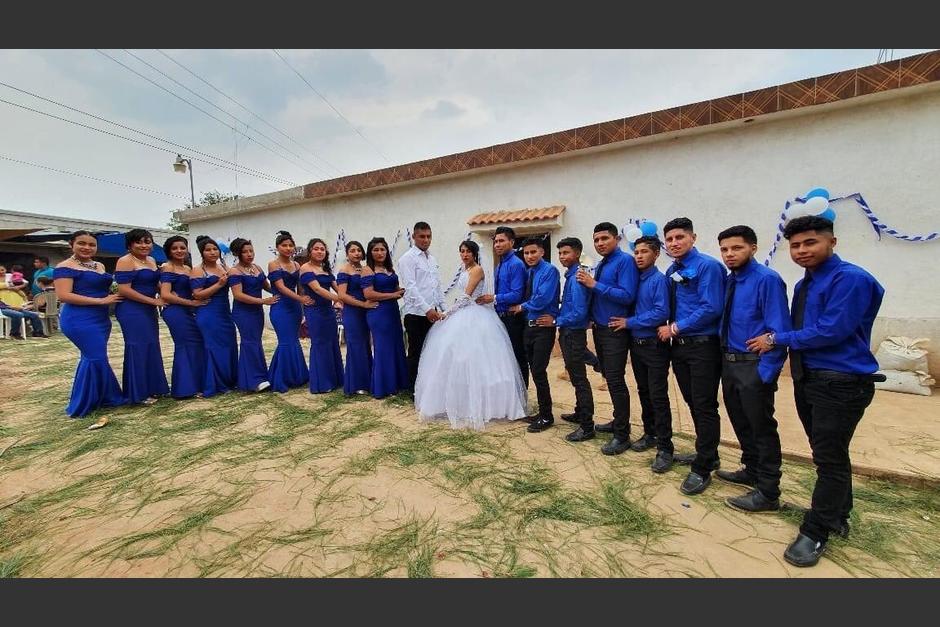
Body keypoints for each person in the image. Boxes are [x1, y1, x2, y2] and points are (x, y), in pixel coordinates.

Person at [747, 215, 885, 568]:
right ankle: (837, 515)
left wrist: (776, 339)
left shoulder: (850, 279)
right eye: (795, 245)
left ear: (832, 242)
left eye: (810, 243)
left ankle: (816, 531)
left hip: (840, 381)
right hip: (811, 378)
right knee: (831, 453)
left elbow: (831, 330)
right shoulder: (805, 284)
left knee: (829, 459)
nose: (802, 251)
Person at [713, 225, 790, 513]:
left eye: (737, 248)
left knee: (762, 428)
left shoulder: (767, 280)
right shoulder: (731, 281)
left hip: (754, 366)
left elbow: (778, 329)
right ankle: (751, 469)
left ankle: (769, 491)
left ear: (753, 248)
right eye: (724, 249)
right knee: (741, 421)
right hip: (730, 362)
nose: (729, 254)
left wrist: (765, 374)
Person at [415, 240, 527, 429]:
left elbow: (467, 297)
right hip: (464, 313)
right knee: (456, 359)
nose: (465, 255)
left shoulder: (477, 270)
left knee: (480, 361)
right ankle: (460, 402)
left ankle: (488, 405)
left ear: (475, 254)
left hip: (477, 314)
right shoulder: (464, 270)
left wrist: (447, 313)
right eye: (462, 251)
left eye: (468, 252)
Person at [659, 217, 726, 496]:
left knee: (704, 404)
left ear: (693, 238)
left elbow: (712, 307)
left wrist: (675, 327)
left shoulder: (707, 266)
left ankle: (703, 467)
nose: (674, 243)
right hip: (680, 347)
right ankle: (707, 453)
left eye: (679, 238)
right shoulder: (672, 270)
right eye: (670, 239)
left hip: (703, 345)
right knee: (692, 401)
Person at [609, 235, 674, 472]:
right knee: (644, 391)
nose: (639, 256)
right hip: (636, 345)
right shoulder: (637, 279)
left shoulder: (658, 280)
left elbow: (660, 312)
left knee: (658, 396)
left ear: (656, 254)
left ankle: (666, 449)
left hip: (653, 346)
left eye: (644, 252)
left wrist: (630, 322)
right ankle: (650, 434)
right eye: (636, 252)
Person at [577, 222, 639, 455]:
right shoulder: (603, 263)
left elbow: (627, 295)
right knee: (607, 376)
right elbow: (598, 296)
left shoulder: (625, 262)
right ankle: (616, 422)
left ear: (617, 239)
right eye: (596, 240)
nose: (600, 243)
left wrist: (594, 284)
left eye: (605, 238)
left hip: (615, 331)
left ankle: (622, 435)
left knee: (615, 380)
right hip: (600, 328)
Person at [53, 230, 125, 417]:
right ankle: (84, 403)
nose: (87, 248)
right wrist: (101, 301)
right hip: (79, 319)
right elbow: (64, 295)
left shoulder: (98, 265)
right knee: (94, 357)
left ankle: (105, 397)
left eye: (91, 245)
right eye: (81, 244)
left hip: (101, 319)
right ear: (71, 245)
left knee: (95, 356)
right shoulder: (64, 266)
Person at [536, 237, 594, 442]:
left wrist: (556, 321)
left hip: (573, 333)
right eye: (560, 253)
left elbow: (578, 312)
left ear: (577, 254)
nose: (562, 257)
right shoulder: (570, 276)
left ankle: (587, 426)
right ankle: (580, 412)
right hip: (569, 332)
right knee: (577, 376)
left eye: (566, 253)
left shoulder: (577, 278)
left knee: (579, 379)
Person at [508, 237, 560, 433]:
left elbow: (542, 299)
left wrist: (521, 306)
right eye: (526, 253)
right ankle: (542, 412)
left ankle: (547, 416)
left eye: (533, 252)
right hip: (529, 327)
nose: (529, 256)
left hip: (543, 328)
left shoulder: (550, 271)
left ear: (542, 252)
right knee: (534, 370)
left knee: (539, 370)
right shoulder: (530, 272)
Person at [114, 229, 170, 405]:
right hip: (131, 309)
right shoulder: (125, 261)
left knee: (152, 345)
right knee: (138, 347)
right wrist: (153, 301)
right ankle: (138, 392)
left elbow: (156, 283)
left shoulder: (152, 260)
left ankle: (155, 387)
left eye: (147, 241)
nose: (144, 245)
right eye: (139, 242)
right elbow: (124, 289)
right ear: (130, 245)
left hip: (148, 309)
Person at [476, 225, 529, 388]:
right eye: (495, 241)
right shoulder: (499, 265)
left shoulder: (516, 264)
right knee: (504, 358)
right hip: (500, 318)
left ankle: (522, 398)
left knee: (518, 357)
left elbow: (517, 294)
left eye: (501, 241)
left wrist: (493, 298)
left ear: (511, 242)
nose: (497, 244)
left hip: (513, 318)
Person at [397, 221, 444, 394]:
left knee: (431, 351)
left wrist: (443, 308)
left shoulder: (432, 259)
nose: (426, 240)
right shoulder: (407, 259)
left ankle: (429, 387)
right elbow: (410, 287)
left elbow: (436, 286)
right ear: (414, 237)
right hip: (416, 314)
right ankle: (413, 390)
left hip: (433, 313)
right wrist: (427, 309)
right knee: (416, 353)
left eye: (428, 236)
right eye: (422, 236)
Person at [159, 235, 209, 399]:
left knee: (196, 344)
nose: (179, 251)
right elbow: (166, 294)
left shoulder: (189, 269)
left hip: (189, 310)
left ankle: (196, 384)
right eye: (175, 248)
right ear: (169, 251)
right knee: (185, 345)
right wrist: (191, 303)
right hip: (175, 312)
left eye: (182, 247)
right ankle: (183, 389)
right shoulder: (168, 267)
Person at [362, 237, 410, 398]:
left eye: (382, 249)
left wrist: (403, 290)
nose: (380, 252)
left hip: (392, 311)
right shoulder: (368, 270)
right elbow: (368, 293)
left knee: (396, 345)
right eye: (375, 250)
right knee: (383, 348)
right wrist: (393, 295)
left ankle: (397, 383)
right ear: (370, 252)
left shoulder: (390, 269)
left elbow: (396, 288)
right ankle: (384, 386)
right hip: (378, 312)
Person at [191, 235, 238, 397]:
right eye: (208, 250)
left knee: (229, 345)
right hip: (208, 313)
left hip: (225, 312)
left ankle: (229, 380)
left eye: (214, 249)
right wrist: (219, 284)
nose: (212, 252)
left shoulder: (223, 267)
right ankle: (215, 383)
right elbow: (197, 295)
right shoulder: (198, 270)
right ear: (201, 252)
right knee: (213, 347)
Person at [229, 237, 278, 393]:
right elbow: (238, 295)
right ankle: (252, 380)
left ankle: (260, 376)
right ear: (238, 253)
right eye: (245, 252)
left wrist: (282, 292)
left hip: (256, 310)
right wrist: (263, 301)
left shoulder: (256, 267)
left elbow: (267, 286)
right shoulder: (234, 271)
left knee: (256, 342)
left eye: (251, 250)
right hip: (243, 311)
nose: (249, 254)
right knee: (249, 342)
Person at [267, 231, 311, 392]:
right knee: (285, 341)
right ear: (278, 247)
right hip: (280, 307)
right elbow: (280, 287)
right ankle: (281, 378)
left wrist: (304, 303)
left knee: (294, 340)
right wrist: (300, 299)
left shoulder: (297, 265)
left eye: (290, 245)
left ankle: (297, 376)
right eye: (284, 245)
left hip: (294, 308)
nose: (288, 248)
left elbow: (300, 288)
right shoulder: (274, 264)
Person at [300, 238, 345, 394]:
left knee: (333, 343)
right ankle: (322, 382)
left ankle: (336, 379)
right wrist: (339, 299)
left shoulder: (325, 268)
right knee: (320, 344)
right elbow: (318, 289)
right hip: (315, 311)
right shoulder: (306, 268)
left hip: (328, 311)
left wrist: (345, 296)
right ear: (310, 251)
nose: (320, 251)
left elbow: (336, 287)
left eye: (322, 249)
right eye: (316, 248)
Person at [336, 241, 377, 395]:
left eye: (359, 250)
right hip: (353, 312)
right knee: (356, 345)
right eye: (352, 250)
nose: (357, 253)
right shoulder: (344, 271)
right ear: (347, 254)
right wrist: (362, 304)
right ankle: (357, 384)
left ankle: (368, 380)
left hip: (366, 312)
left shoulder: (366, 269)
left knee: (366, 344)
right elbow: (341, 295)